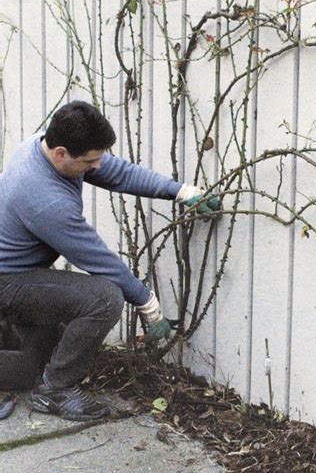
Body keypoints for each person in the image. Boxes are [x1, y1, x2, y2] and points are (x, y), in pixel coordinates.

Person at [0, 100, 220, 421]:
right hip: (8, 283)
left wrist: (180, 192)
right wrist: (147, 304)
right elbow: (100, 261)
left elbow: (118, 173)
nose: (97, 166)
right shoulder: (43, 199)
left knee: (33, 366)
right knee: (104, 298)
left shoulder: (42, 146)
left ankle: (42, 379)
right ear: (62, 153)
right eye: (90, 161)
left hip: (19, 273)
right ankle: (57, 390)